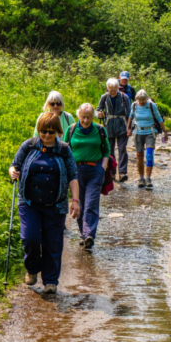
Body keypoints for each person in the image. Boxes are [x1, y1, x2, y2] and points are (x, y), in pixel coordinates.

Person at [9, 112, 80, 294]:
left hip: (56, 204)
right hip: (29, 202)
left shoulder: (64, 150)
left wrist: (75, 200)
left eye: (50, 131)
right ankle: (32, 269)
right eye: (43, 131)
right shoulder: (29, 145)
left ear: (57, 131)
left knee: (53, 243)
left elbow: (72, 176)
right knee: (30, 238)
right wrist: (13, 172)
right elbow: (14, 165)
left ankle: (50, 281)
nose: (46, 135)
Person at [63, 103, 110, 250]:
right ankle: (84, 235)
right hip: (76, 172)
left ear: (93, 117)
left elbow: (106, 151)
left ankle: (89, 234)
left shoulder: (100, 130)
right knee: (80, 204)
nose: (85, 120)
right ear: (78, 116)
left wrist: (103, 166)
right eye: (83, 117)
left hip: (95, 171)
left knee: (91, 203)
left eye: (88, 117)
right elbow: (64, 148)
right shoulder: (71, 130)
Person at [127, 89, 168, 189]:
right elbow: (130, 116)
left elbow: (158, 118)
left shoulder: (151, 105)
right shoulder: (134, 105)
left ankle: (148, 178)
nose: (141, 102)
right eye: (139, 100)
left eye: (143, 100)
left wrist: (165, 131)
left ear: (147, 99)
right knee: (139, 155)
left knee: (149, 155)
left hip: (150, 132)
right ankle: (141, 178)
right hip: (138, 132)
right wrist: (128, 128)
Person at [96, 78, 131, 182]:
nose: (113, 92)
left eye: (115, 90)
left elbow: (130, 114)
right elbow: (98, 109)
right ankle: (112, 172)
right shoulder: (104, 97)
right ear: (107, 88)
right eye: (110, 90)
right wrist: (98, 114)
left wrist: (130, 127)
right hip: (109, 126)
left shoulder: (124, 97)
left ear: (118, 88)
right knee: (110, 150)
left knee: (122, 149)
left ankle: (122, 172)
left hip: (122, 125)